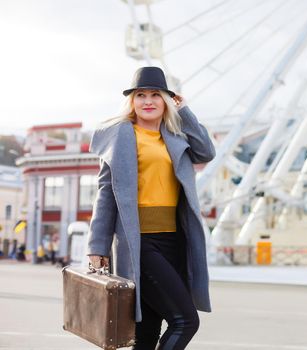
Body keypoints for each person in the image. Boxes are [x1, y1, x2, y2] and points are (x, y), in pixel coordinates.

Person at [86, 66, 215, 350]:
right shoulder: (121, 135)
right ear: (131, 101)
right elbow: (106, 193)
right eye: (140, 95)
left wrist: (184, 111)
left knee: (147, 330)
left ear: (167, 100)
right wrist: (98, 246)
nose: (148, 101)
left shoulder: (175, 135)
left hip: (174, 241)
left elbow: (206, 151)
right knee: (185, 321)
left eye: (156, 95)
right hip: (139, 242)